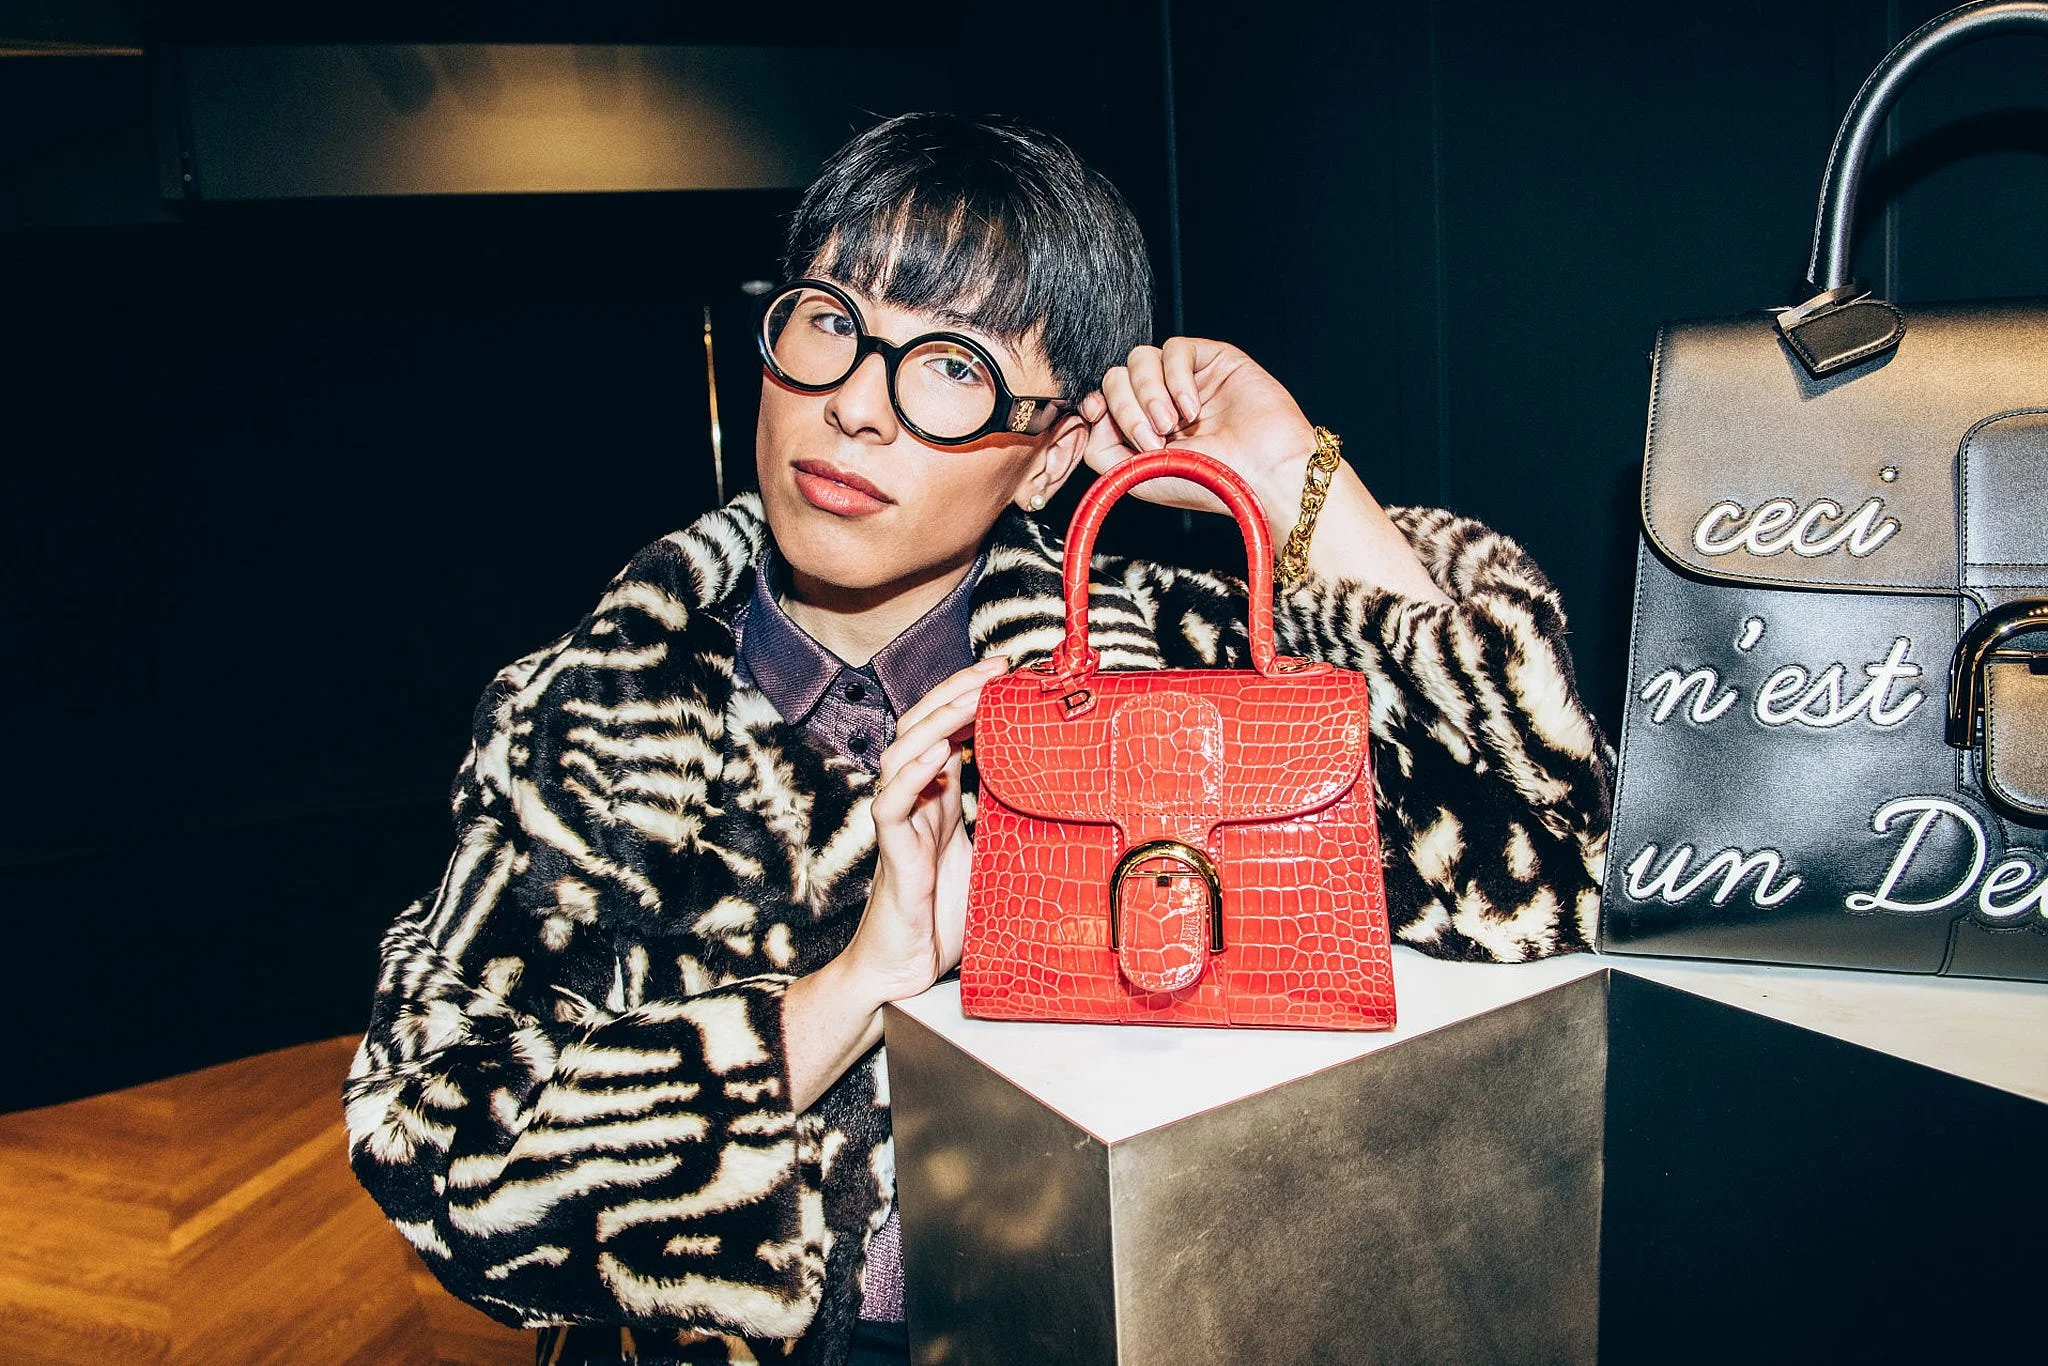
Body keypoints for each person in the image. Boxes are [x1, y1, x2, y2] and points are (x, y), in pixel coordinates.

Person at [345, 111, 1611, 1366]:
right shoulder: (590, 718)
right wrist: (857, 984)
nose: (853, 408)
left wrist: (1293, 483)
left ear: (1052, 452)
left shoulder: (1166, 679)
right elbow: (438, 1155)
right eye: (830, 324)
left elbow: (1557, 872)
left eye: (949, 365)